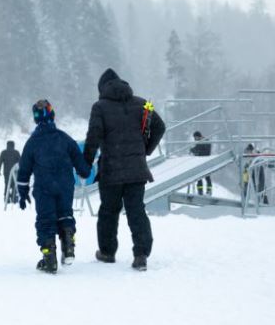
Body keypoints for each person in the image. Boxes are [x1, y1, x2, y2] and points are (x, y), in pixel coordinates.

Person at [83, 68, 165, 271]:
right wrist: (145, 149)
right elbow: (160, 126)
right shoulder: (142, 103)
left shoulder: (100, 107)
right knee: (136, 210)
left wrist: (86, 164)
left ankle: (107, 252)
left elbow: (93, 137)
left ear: (102, 89)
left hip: (111, 170)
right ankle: (141, 254)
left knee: (108, 211)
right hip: (136, 170)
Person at [16, 99, 90, 274]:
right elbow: (82, 166)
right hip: (65, 185)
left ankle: (49, 258)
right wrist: (85, 170)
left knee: (46, 220)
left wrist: (22, 192)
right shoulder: (65, 139)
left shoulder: (32, 142)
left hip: (44, 187)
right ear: (53, 115)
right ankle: (68, 245)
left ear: (36, 119)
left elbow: (24, 170)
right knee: (65, 214)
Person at [190, 131, 213, 195]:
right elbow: (197, 148)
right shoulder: (199, 142)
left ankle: (209, 191)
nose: (195, 139)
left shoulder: (206, 141)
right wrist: (192, 150)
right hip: (199, 162)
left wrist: (198, 152)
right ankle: (200, 191)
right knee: (199, 177)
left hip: (205, 161)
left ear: (198, 136)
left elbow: (207, 152)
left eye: (195, 137)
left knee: (207, 177)